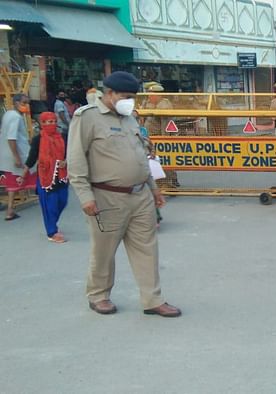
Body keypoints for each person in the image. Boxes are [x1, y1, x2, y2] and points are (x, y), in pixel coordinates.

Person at [67, 71, 181, 317]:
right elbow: (75, 160)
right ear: (109, 94)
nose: (130, 101)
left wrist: (153, 189)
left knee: (147, 249)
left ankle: (153, 299)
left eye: (133, 97)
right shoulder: (87, 118)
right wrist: (85, 196)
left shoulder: (130, 119)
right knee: (104, 251)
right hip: (107, 196)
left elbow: (141, 157)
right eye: (126, 96)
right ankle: (98, 295)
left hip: (140, 195)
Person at [23, 112, 69, 243]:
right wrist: (23, 175)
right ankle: (52, 232)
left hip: (61, 175)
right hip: (45, 177)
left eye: (53, 121)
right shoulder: (38, 139)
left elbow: (70, 153)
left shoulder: (63, 137)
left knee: (62, 201)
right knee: (49, 206)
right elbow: (32, 157)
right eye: (48, 122)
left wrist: (66, 161)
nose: (52, 124)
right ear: (42, 124)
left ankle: (53, 223)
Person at [0, 93, 34, 220]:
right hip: (17, 153)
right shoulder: (16, 118)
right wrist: (17, 157)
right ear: (16, 103)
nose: (26, 106)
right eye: (23, 103)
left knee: (12, 183)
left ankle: (10, 210)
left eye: (27, 103)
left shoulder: (9, 114)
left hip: (10, 153)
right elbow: (11, 138)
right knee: (30, 175)